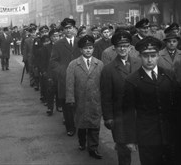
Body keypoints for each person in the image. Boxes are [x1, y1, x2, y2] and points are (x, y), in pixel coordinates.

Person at [122, 36, 177, 165]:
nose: (149, 60)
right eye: (146, 56)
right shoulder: (132, 81)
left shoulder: (169, 75)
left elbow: (177, 105)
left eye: (153, 55)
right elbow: (128, 112)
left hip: (170, 134)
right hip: (147, 136)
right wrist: (130, 139)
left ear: (158, 56)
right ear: (140, 56)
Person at [100, 31, 141, 165]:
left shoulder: (139, 63)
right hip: (120, 116)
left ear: (130, 47)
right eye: (119, 46)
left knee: (146, 148)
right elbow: (106, 97)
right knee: (123, 151)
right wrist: (108, 117)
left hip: (139, 113)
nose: (123, 49)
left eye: (126, 45)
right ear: (115, 48)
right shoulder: (108, 69)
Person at [65, 35, 104, 159]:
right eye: (85, 48)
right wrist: (70, 99)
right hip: (80, 100)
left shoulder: (100, 64)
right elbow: (70, 83)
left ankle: (93, 148)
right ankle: (82, 142)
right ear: (81, 50)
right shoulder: (73, 64)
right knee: (81, 124)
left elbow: (103, 83)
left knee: (94, 125)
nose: (88, 50)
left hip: (95, 100)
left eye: (91, 48)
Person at [50, 18, 80, 137]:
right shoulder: (58, 44)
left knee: (79, 102)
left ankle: (80, 125)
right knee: (67, 104)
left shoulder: (81, 42)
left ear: (74, 28)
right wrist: (64, 71)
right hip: (65, 79)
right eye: (66, 28)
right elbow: (53, 62)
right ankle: (70, 127)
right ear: (63, 30)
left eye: (70, 27)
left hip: (80, 77)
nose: (68, 30)